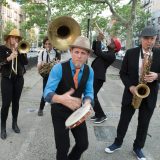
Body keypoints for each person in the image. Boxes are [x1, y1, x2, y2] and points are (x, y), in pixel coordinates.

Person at [105, 26, 160, 160]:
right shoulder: (131, 53)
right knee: (124, 120)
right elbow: (122, 73)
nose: (149, 42)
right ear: (141, 39)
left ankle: (138, 148)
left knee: (144, 123)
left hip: (149, 95)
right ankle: (117, 142)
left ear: (155, 39)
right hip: (131, 92)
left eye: (152, 39)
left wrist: (157, 76)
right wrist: (130, 87)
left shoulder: (159, 53)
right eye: (146, 39)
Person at [44, 36, 94, 160]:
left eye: (83, 53)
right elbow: (47, 93)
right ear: (71, 52)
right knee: (63, 148)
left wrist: (87, 103)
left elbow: (89, 92)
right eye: (76, 52)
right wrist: (61, 99)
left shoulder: (89, 71)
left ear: (87, 55)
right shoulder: (58, 68)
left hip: (77, 112)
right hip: (59, 112)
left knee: (83, 144)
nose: (79, 56)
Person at [0, 29, 28, 140]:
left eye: (17, 38)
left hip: (19, 79)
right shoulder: (2, 49)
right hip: (7, 79)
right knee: (6, 104)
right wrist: (9, 58)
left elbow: (25, 62)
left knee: (16, 102)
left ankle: (14, 124)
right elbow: (1, 63)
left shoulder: (21, 48)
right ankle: (2, 127)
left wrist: (19, 51)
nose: (14, 39)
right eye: (12, 37)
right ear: (8, 38)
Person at [91, 32, 121, 123]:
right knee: (92, 95)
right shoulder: (108, 52)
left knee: (92, 96)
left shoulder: (112, 55)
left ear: (115, 48)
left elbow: (99, 52)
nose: (110, 42)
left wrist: (100, 40)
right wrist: (96, 40)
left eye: (112, 43)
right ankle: (98, 114)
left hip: (98, 77)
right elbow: (96, 51)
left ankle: (101, 116)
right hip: (95, 75)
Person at [37, 36, 61, 116]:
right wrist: (41, 64)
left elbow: (59, 65)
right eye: (46, 44)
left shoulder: (57, 53)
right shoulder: (42, 53)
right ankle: (41, 108)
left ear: (52, 44)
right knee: (45, 92)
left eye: (49, 44)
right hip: (46, 76)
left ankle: (55, 110)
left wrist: (58, 64)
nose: (47, 46)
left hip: (55, 76)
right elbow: (38, 67)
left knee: (55, 92)